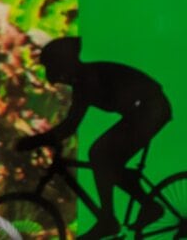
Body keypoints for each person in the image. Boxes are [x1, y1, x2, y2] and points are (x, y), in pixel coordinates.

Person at [17, 37, 173, 239]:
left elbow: (70, 126)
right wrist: (40, 140)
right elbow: (70, 125)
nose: (60, 79)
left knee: (100, 154)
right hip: (143, 110)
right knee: (108, 162)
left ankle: (109, 220)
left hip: (152, 109)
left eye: (59, 71)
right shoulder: (83, 80)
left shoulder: (88, 79)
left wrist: (35, 141)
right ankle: (143, 205)